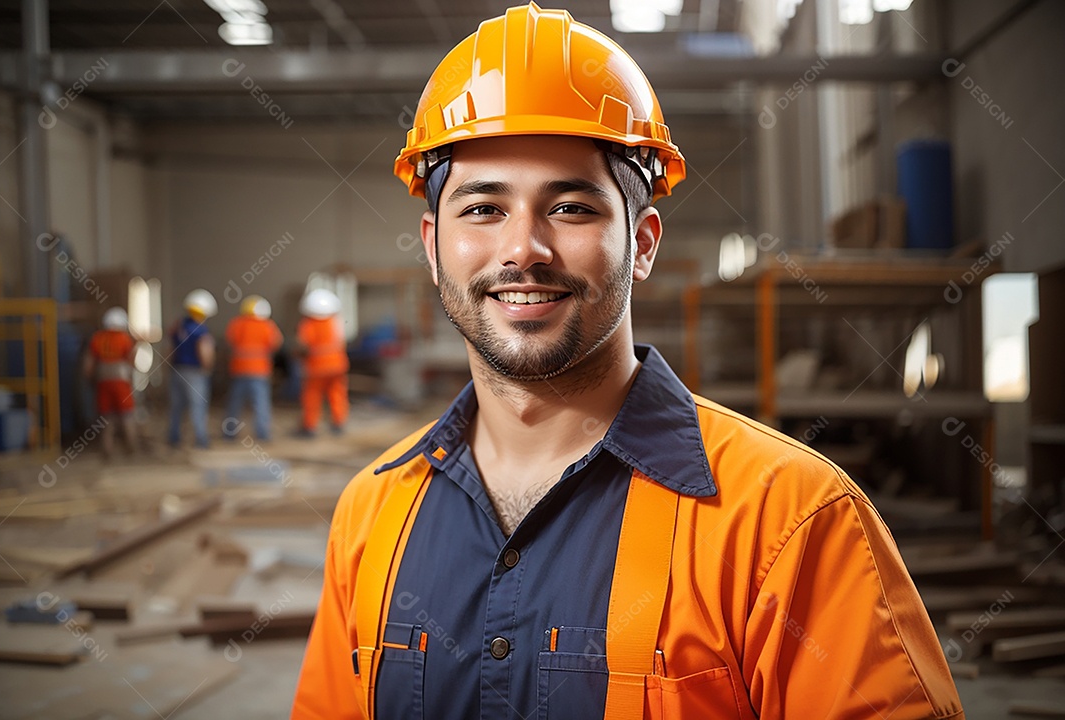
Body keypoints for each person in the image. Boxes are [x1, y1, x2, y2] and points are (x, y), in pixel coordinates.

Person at [292, 5, 964, 720]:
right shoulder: (371, 515)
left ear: (642, 243)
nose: (523, 250)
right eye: (484, 209)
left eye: (572, 208)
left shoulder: (791, 520)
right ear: (432, 246)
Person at [223, 295, 283, 442]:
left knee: (235, 403)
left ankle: (229, 434)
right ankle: (262, 434)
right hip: (259, 371)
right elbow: (276, 343)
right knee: (261, 403)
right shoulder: (267, 325)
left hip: (239, 370)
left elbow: (230, 341)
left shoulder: (237, 324)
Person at [84, 307, 137, 458]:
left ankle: (106, 449)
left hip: (103, 382)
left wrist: (90, 379)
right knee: (126, 415)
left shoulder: (97, 338)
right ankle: (131, 448)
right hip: (121, 383)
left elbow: (88, 365)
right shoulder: (124, 338)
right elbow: (131, 361)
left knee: (106, 417)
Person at [295, 288, 349, 437]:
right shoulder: (335, 322)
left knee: (312, 396)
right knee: (337, 395)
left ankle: (309, 427)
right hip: (337, 366)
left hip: (316, 368)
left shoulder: (308, 324)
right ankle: (338, 424)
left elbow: (303, 345)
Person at [167, 289, 217, 449]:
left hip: (177, 369)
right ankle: (201, 439)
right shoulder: (201, 330)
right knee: (198, 406)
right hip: (195, 372)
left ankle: (174, 437)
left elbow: (169, 349)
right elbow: (205, 351)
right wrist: (207, 368)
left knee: (177, 406)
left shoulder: (178, 326)